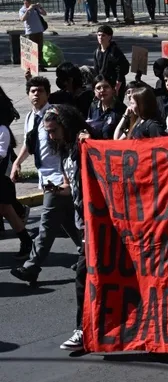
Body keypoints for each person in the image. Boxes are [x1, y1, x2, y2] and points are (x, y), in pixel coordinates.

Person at [9, 77, 83, 285]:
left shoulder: (56, 116)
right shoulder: (31, 117)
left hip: (59, 179)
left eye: (40, 90)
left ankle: (31, 267)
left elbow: (67, 143)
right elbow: (29, 143)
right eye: (32, 91)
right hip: (46, 178)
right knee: (67, 221)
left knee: (46, 226)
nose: (36, 94)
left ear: (48, 93)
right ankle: (86, 253)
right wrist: (17, 163)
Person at [34, 105, 91, 350]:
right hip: (82, 224)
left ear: (66, 126)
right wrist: (57, 190)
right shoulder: (65, 150)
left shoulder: (83, 146)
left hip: (95, 223)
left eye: (54, 130)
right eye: (48, 132)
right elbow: (70, 187)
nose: (51, 136)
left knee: (82, 276)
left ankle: (82, 330)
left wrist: (89, 141)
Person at [0, 101, 32, 259]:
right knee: (6, 210)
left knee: (7, 210)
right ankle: (26, 241)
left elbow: (1, 154)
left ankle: (27, 242)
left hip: (2, 178)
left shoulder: (2, 130)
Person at [94, 25, 130, 91]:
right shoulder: (97, 52)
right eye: (99, 35)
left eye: (103, 35)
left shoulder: (115, 51)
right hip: (102, 85)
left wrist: (117, 87)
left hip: (114, 85)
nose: (100, 37)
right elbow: (96, 71)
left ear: (109, 37)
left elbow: (122, 69)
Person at [19, 0, 46, 68]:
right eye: (27, 1)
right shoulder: (22, 10)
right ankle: (32, 67)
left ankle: (40, 65)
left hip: (39, 31)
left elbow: (44, 13)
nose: (29, 2)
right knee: (32, 50)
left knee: (39, 49)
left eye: (30, 0)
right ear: (24, 2)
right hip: (30, 32)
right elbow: (22, 19)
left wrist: (40, 7)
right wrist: (28, 10)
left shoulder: (35, 8)